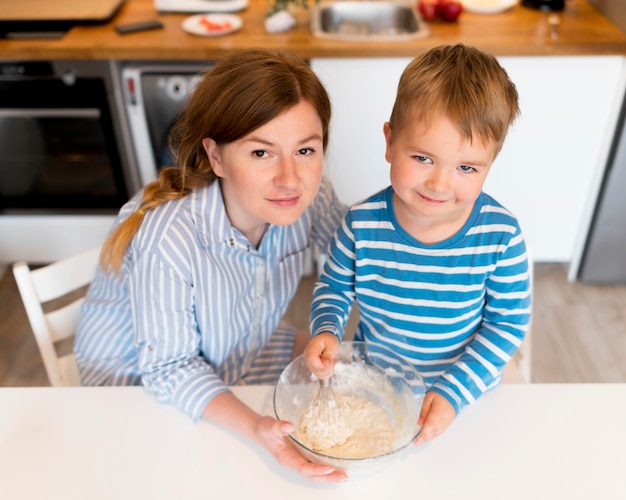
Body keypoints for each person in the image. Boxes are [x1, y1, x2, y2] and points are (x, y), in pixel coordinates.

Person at [74, 49, 348, 482]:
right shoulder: (168, 237)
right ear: (216, 157)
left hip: (239, 339)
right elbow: (169, 367)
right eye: (261, 153)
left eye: (306, 150)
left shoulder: (306, 197)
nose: (290, 178)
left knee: (346, 369)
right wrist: (258, 429)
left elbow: (362, 255)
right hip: (139, 383)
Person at [304, 44, 531, 447]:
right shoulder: (360, 224)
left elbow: (507, 324)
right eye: (423, 158)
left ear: (490, 164)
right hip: (375, 384)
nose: (440, 183)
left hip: (464, 392)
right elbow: (335, 289)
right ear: (390, 142)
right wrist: (327, 329)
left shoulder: (501, 237)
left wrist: (454, 392)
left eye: (466, 167)